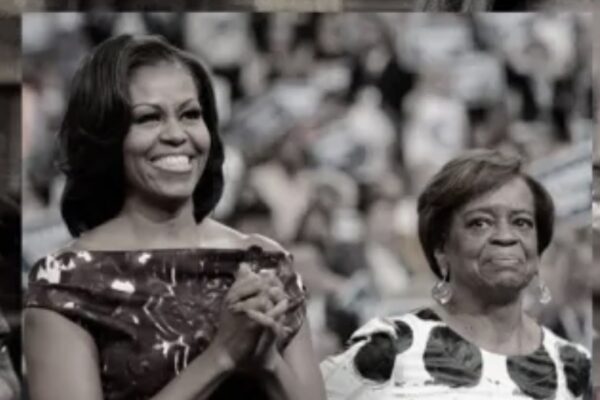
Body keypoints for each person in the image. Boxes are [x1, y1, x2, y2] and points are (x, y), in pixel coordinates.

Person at [24, 34, 325, 400]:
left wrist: (268, 362)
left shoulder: (265, 263)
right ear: (107, 136)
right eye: (148, 118)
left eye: (190, 115)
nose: (176, 134)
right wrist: (221, 356)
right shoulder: (66, 283)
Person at [321, 149, 591, 399]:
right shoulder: (393, 348)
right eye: (480, 223)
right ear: (441, 248)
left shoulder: (574, 366)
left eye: (521, 222)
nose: (506, 236)